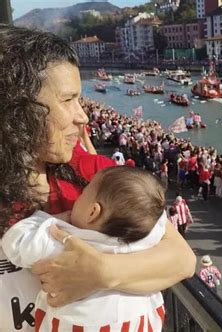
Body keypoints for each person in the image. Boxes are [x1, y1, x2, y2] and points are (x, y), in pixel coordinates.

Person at [0, 25, 195, 331]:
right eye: (68, 100)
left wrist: (102, 271)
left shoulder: (95, 177)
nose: (83, 116)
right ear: (16, 108)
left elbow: (182, 259)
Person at [3, 167, 168, 330]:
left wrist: (47, 220)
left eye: (83, 194)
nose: (78, 198)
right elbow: (158, 219)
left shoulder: (65, 243)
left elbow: (15, 241)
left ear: (92, 212)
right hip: (137, 319)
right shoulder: (144, 240)